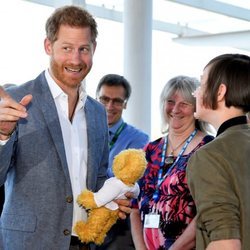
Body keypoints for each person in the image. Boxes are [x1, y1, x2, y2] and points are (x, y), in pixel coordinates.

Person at [0, 6, 130, 250]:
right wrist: (2, 134)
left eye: (84, 49)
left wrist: (114, 196)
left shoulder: (97, 111)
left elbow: (97, 177)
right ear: (48, 46)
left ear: (94, 49)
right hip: (28, 244)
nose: (76, 59)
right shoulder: (16, 100)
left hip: (83, 243)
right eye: (67, 48)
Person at [130, 75, 214, 250]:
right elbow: (134, 207)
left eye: (184, 104)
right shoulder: (149, 150)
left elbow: (207, 211)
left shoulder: (208, 149)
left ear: (196, 109)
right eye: (170, 101)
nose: (175, 109)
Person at [187, 54, 250, 250]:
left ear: (220, 91)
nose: (196, 93)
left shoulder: (210, 156)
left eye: (202, 82)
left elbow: (226, 243)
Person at [95, 74, 149, 249]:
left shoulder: (139, 140)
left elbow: (125, 185)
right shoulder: (82, 134)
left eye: (117, 101)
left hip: (117, 227)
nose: (110, 106)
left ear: (125, 104)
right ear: (96, 99)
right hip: (81, 221)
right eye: (104, 99)